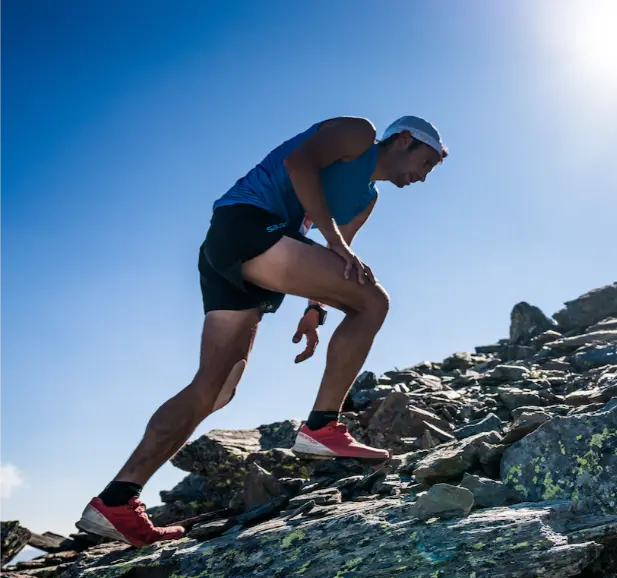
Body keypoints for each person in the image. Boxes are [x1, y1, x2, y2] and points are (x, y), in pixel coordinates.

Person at [76, 116, 448, 546]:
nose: (422, 176)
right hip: (248, 225)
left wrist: (314, 309)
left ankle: (118, 499)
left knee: (215, 389)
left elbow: (337, 253)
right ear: (404, 140)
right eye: (426, 163)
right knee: (373, 302)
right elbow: (300, 165)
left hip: (241, 250)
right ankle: (323, 426)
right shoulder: (358, 133)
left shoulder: (367, 199)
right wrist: (333, 243)